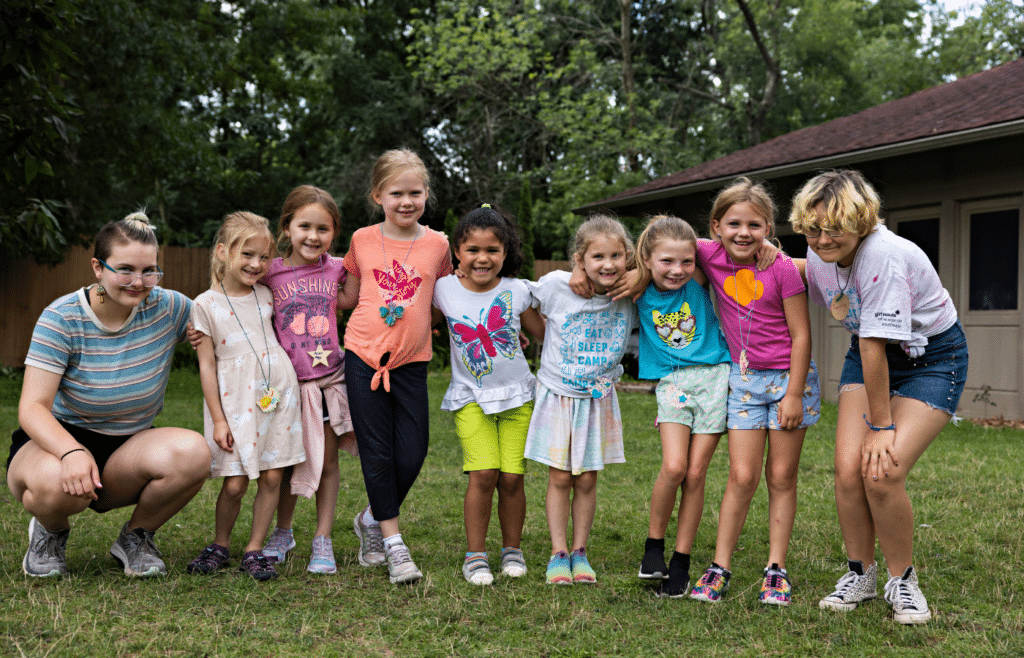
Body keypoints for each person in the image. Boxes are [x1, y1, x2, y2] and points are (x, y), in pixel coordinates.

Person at [789, 170, 967, 625]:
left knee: (881, 471)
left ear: (863, 221)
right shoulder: (819, 250)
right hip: (867, 354)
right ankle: (860, 574)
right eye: (812, 229)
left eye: (833, 229)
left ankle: (903, 580)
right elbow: (798, 266)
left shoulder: (884, 257)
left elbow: (874, 348)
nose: (822, 239)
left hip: (931, 360)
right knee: (848, 472)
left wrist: (883, 426)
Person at [7, 211, 210, 578]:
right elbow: (32, 407)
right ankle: (50, 531)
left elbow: (222, 320)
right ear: (98, 268)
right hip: (56, 442)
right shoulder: (63, 318)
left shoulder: (169, 307)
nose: (139, 281)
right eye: (126, 269)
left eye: (150, 270)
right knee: (56, 487)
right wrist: (71, 451)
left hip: (128, 449)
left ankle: (136, 537)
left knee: (194, 452)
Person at [689, 178, 820, 606]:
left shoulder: (779, 267)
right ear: (716, 227)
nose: (744, 233)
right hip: (742, 383)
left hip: (788, 379)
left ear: (769, 228)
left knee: (780, 476)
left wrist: (795, 394)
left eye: (755, 225)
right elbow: (662, 235)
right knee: (741, 476)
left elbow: (801, 335)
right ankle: (720, 566)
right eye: (734, 224)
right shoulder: (708, 255)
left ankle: (776, 569)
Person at [339, 148, 453, 584]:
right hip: (363, 356)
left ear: (426, 195)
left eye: (415, 193)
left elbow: (444, 302)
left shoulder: (439, 244)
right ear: (377, 195)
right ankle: (393, 544)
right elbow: (347, 297)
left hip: (411, 362)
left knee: (412, 451)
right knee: (377, 453)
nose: (406, 202)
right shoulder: (362, 240)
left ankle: (371, 517)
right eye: (396, 193)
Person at [187, 212, 304, 581]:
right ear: (223, 251)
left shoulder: (267, 294)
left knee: (272, 478)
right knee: (235, 482)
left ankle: (254, 549)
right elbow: (206, 366)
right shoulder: (204, 304)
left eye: (264, 257)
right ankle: (220, 544)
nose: (256, 264)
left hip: (278, 394)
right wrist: (219, 419)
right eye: (247, 254)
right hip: (235, 402)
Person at [433, 204, 546, 585]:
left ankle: (512, 549)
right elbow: (422, 323)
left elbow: (544, 332)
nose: (483, 258)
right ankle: (475, 555)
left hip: (519, 398)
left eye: (492, 250)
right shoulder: (443, 290)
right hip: (471, 397)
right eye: (473, 251)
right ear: (458, 254)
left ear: (505, 253)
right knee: (484, 473)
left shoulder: (518, 291)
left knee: (512, 478)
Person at [526, 215, 638, 585]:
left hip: (598, 399)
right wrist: (536, 334)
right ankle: (558, 553)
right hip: (559, 395)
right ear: (581, 259)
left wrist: (640, 274)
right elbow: (518, 297)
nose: (608, 265)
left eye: (616, 256)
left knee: (588, 479)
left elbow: (672, 262)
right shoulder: (558, 284)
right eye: (597, 257)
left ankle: (580, 552)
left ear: (629, 257)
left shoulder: (633, 289)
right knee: (559, 477)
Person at [629, 215, 732, 598]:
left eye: (686, 261)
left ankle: (681, 563)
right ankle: (653, 549)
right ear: (648, 260)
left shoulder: (700, 280)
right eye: (667, 262)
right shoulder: (638, 288)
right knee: (674, 466)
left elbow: (720, 249)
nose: (677, 270)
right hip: (673, 382)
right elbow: (598, 267)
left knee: (695, 474)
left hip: (715, 379)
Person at [259, 185, 360, 574]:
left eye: (324, 229)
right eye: (304, 226)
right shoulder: (270, 272)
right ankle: (282, 533)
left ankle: (323, 538)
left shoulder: (337, 269)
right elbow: (236, 295)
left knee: (329, 462)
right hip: (288, 387)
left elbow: (353, 300)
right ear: (286, 228)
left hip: (328, 382)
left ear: (334, 233)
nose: (313, 236)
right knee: (286, 463)